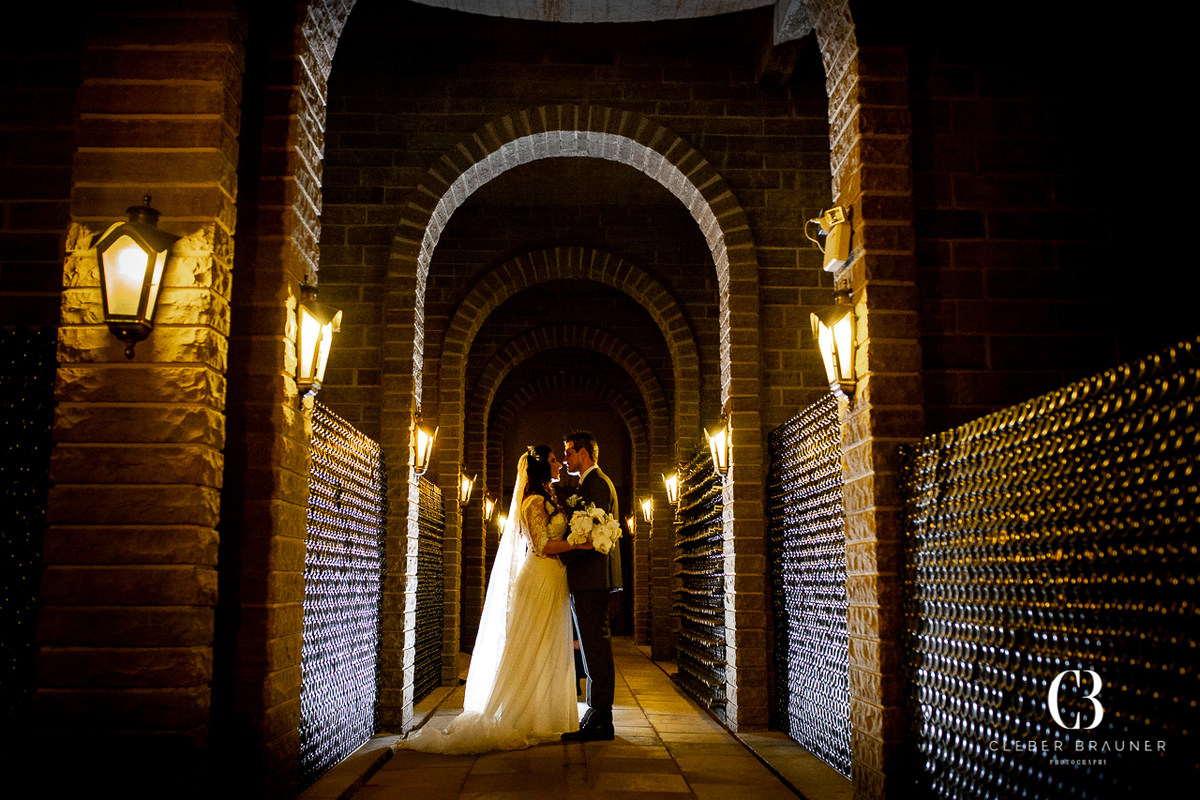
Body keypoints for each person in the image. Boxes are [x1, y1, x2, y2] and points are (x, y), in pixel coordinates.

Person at [396, 445, 593, 753]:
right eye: (554, 460)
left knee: (549, 644)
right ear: (542, 467)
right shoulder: (534, 501)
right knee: (533, 644)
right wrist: (578, 544)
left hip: (554, 579)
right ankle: (525, 715)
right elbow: (541, 545)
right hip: (540, 576)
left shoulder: (548, 498)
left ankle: (550, 713)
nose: (559, 465)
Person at [558, 431, 621, 742]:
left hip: (590, 577)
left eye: (568, 452)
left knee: (595, 647)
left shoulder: (595, 482)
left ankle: (600, 716)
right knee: (594, 646)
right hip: (590, 578)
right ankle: (598, 714)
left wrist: (563, 551)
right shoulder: (593, 482)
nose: (566, 458)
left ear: (583, 453)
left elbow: (591, 533)